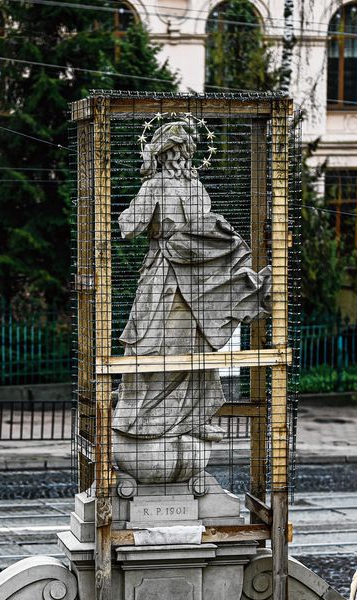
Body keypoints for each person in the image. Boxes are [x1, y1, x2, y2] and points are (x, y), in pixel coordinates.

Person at [113, 117, 270, 448]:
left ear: (161, 153)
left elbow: (128, 226)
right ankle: (193, 418)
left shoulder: (155, 185)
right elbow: (207, 232)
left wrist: (143, 177)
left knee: (146, 342)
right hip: (196, 281)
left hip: (162, 275)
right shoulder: (196, 188)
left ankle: (142, 416)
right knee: (193, 346)